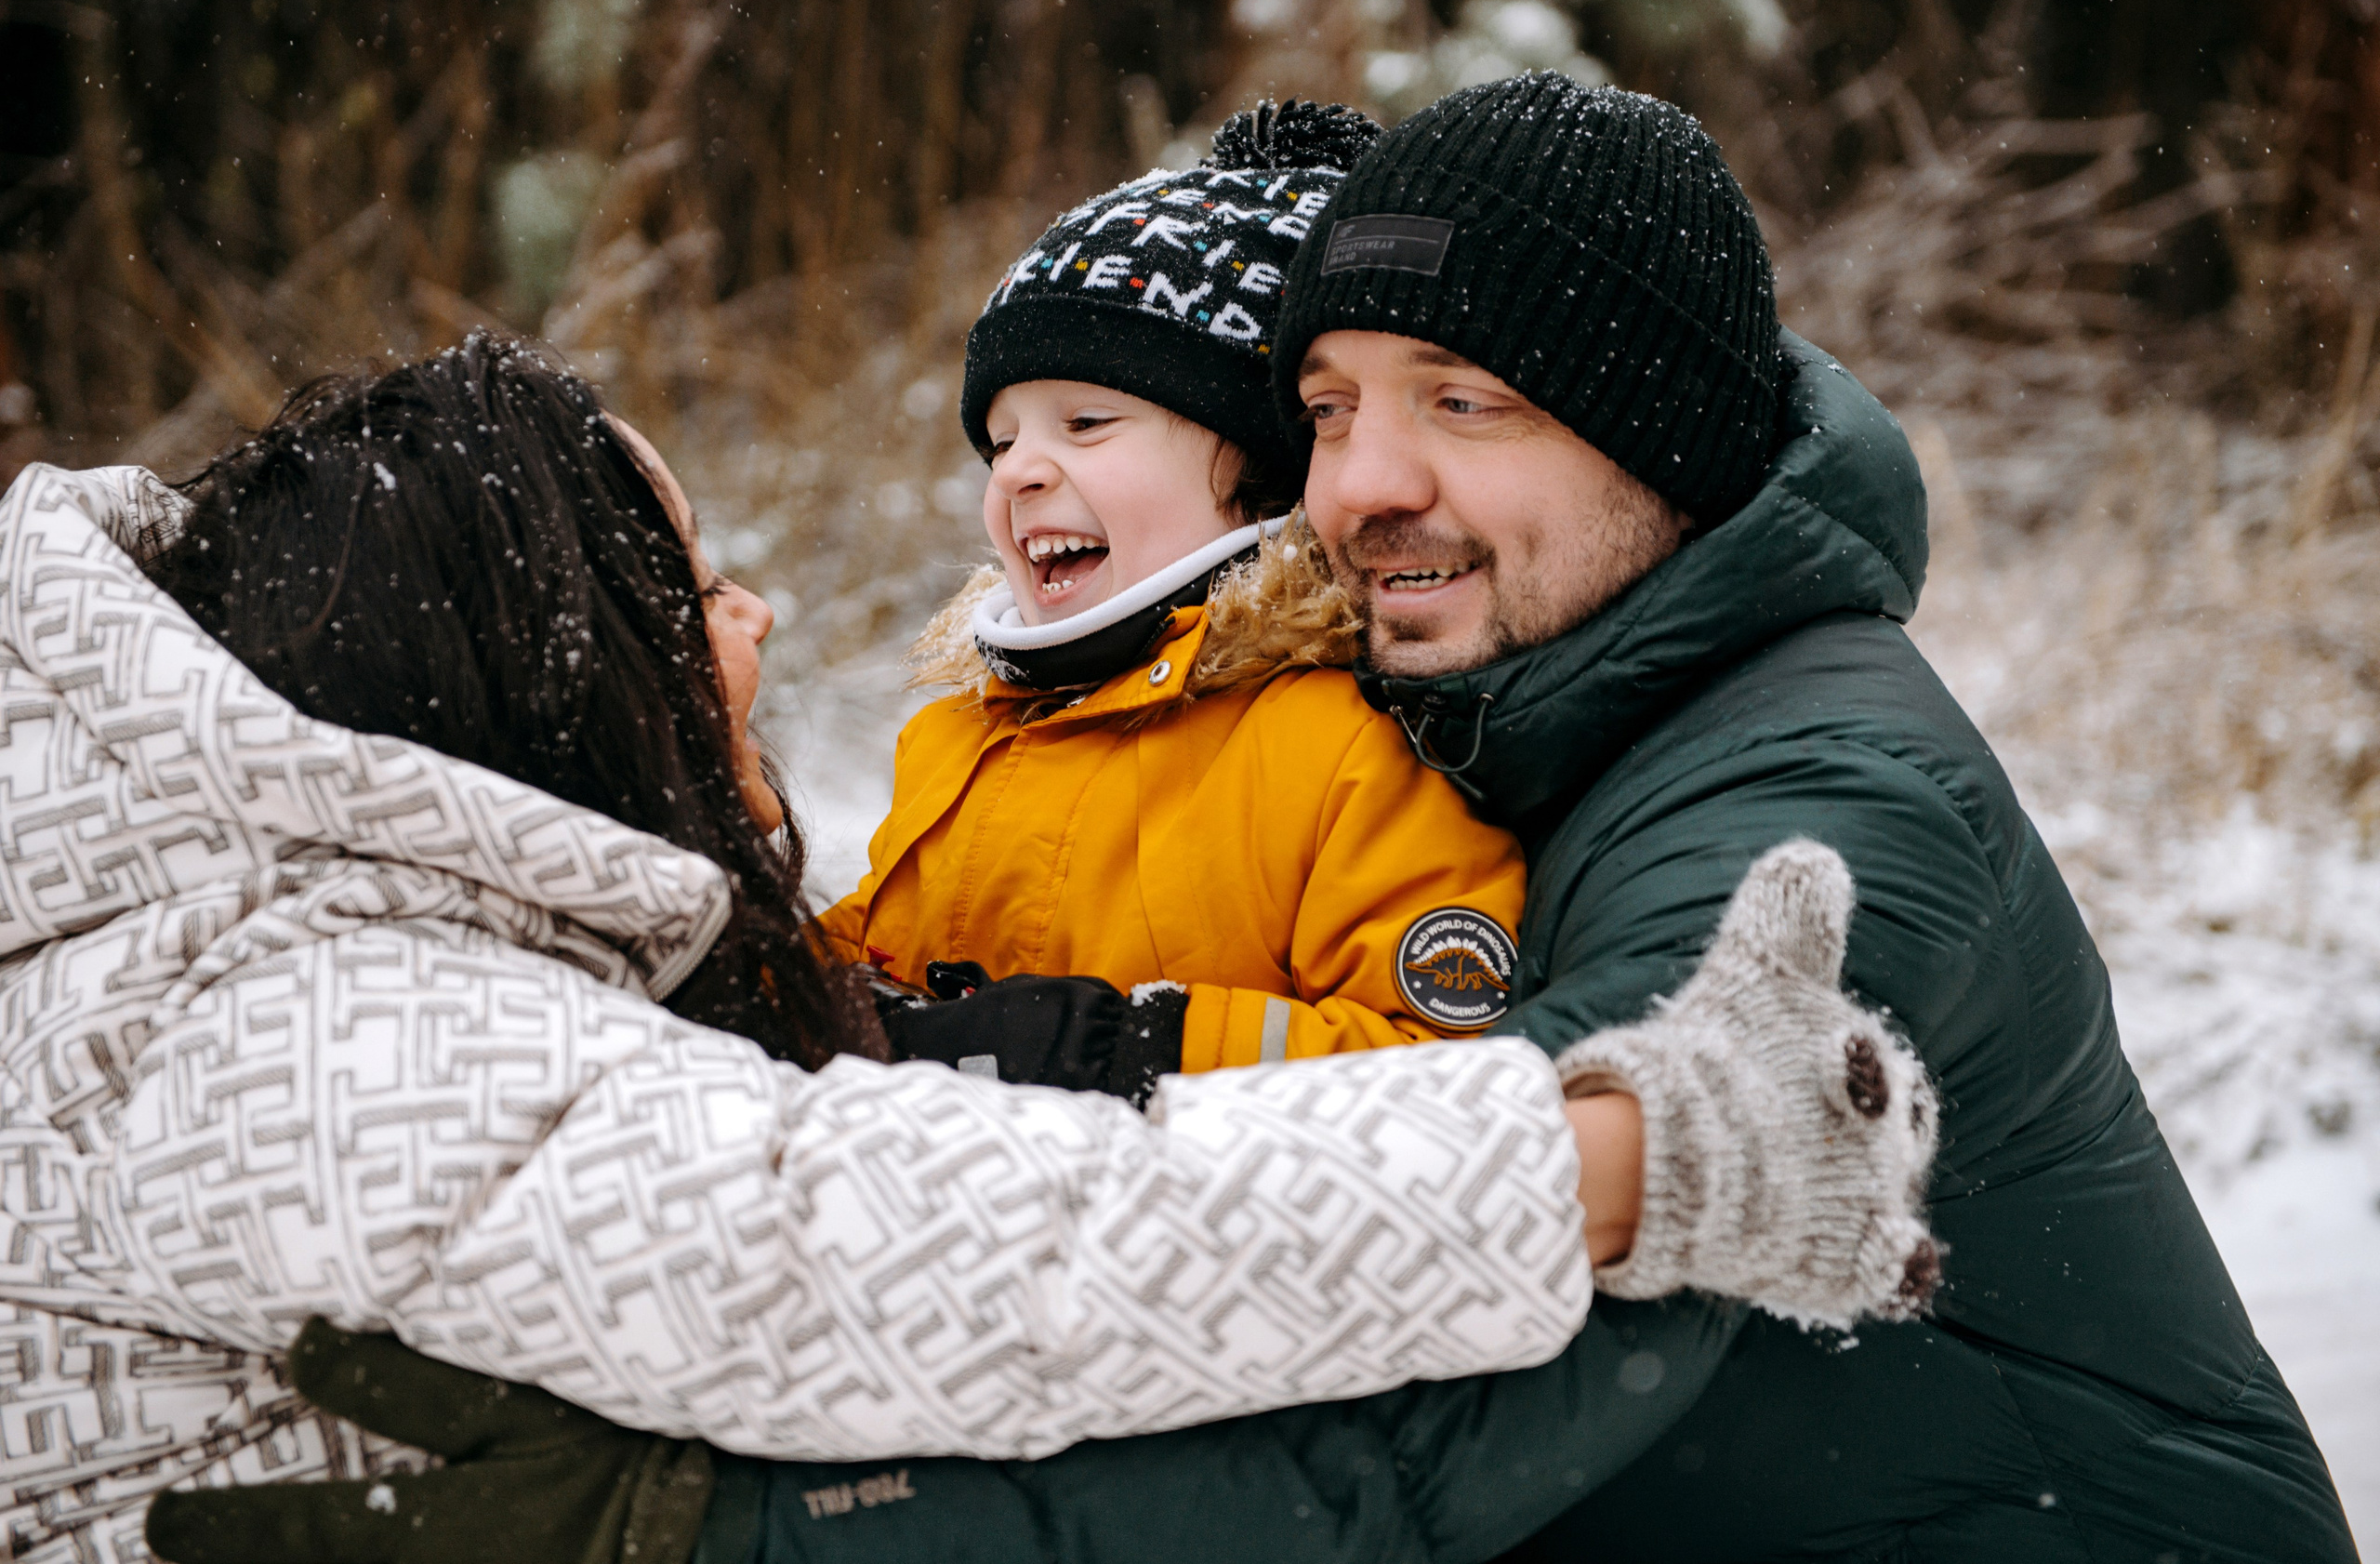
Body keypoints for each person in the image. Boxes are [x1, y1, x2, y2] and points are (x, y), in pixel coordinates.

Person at [609, 79, 2359, 1564]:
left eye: (1465, 400)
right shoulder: (1507, 704)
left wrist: (733, 1514)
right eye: (1328, 410)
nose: (1360, 485)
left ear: (1652, 435)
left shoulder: (1816, 826)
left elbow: (1434, 1362)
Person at [0, 336, 1930, 1564]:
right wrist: (1604, 1163)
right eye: (683, 589)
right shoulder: (304, 1017)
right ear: (531, 681)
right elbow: (885, 1242)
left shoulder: (213, 897)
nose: (744, 624)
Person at [827, 100, 1542, 1100]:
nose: (1021, 472)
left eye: (1085, 422)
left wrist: (1135, 1049)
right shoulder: (961, 737)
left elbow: (1446, 1073)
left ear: (1264, 468)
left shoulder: (1353, 747)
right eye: (1002, 442)